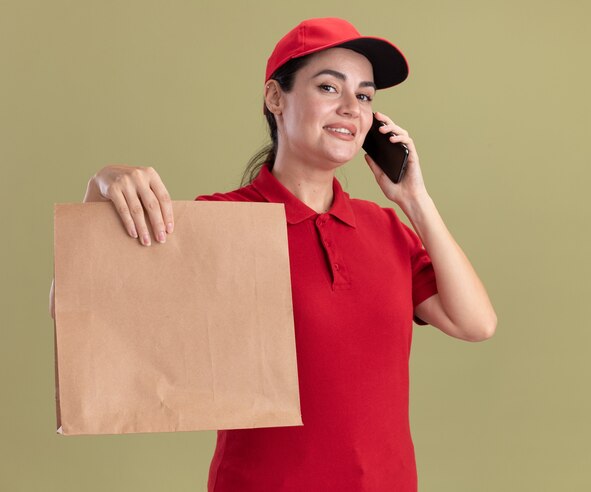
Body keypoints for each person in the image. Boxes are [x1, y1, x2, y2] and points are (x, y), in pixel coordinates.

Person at [50, 17, 496, 491]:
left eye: (364, 96)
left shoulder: (385, 228)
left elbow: (476, 323)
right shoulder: (221, 224)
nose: (351, 108)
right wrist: (101, 185)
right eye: (329, 87)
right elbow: (90, 311)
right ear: (275, 97)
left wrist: (415, 201)